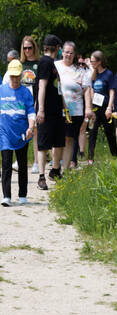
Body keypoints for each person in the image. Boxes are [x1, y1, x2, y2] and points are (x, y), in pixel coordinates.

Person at [0, 60, 35, 206]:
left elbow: (31, 113)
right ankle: (6, 196)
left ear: (21, 75)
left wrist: (31, 128)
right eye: (12, 76)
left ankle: (22, 195)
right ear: (9, 75)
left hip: (22, 133)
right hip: (5, 133)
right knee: (7, 164)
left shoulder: (26, 92)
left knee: (22, 164)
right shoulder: (1, 90)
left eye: (17, 76)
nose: (14, 79)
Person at [55, 41, 92, 170]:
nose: (68, 55)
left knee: (69, 139)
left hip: (75, 110)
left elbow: (87, 89)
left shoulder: (81, 70)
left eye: (71, 53)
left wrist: (88, 108)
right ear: (62, 52)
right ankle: (55, 166)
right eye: (66, 52)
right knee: (57, 139)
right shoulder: (55, 66)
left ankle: (65, 168)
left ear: (74, 54)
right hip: (57, 109)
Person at [36, 34, 64, 190]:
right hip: (46, 110)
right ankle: (41, 177)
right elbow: (42, 86)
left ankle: (55, 171)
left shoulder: (53, 64)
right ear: (57, 48)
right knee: (43, 144)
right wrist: (41, 109)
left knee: (59, 142)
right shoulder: (45, 62)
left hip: (57, 109)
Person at [87, 50, 117, 165]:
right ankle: (90, 158)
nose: (91, 63)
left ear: (99, 62)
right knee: (92, 132)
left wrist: (109, 107)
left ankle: (115, 156)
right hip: (95, 107)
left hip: (105, 107)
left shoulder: (108, 74)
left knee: (109, 133)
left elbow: (111, 92)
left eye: (93, 61)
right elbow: (91, 89)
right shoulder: (94, 74)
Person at [19, 35, 41, 174]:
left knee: (35, 132)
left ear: (34, 48)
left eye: (30, 48)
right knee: (21, 130)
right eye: (25, 48)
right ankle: (20, 160)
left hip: (35, 99)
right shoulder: (20, 64)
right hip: (21, 101)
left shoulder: (39, 64)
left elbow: (41, 86)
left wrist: (37, 103)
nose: (27, 50)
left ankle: (37, 162)